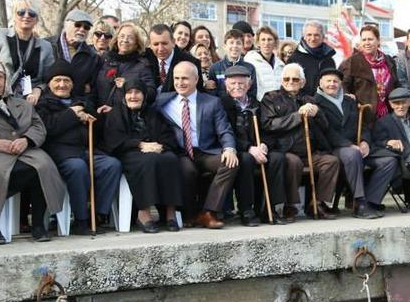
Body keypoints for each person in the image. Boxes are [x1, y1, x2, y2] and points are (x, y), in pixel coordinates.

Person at [0, 60, 66, 244]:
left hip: (23, 150)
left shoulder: (21, 104)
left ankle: (38, 225)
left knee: (44, 166)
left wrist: (26, 140)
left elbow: (38, 127)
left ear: (6, 80)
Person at [36, 61, 122, 235]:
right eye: (57, 80)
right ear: (50, 83)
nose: (62, 84)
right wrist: (72, 114)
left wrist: (97, 117)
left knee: (112, 165)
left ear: (72, 84)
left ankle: (98, 215)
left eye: (66, 80)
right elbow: (48, 128)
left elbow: (96, 128)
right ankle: (81, 219)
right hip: (61, 154)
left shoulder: (82, 101)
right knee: (78, 168)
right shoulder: (43, 104)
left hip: (87, 151)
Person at [154, 61, 238, 229]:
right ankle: (189, 214)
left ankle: (208, 212)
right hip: (180, 152)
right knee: (187, 171)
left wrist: (229, 149)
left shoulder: (211, 102)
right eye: (176, 78)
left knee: (229, 163)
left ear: (196, 79)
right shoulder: (161, 102)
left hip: (205, 151)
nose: (180, 83)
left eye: (185, 78)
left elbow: (224, 130)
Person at [100, 77, 184, 233]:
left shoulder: (153, 113)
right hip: (128, 153)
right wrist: (140, 144)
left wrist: (160, 146)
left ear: (144, 95)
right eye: (129, 93)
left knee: (171, 159)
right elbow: (114, 140)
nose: (133, 96)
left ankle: (170, 212)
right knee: (148, 161)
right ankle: (143, 213)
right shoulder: (116, 113)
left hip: (155, 150)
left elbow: (167, 135)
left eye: (137, 92)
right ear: (124, 95)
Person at [261, 63, 340, 221]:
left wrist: (317, 113)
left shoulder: (309, 99)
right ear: (282, 80)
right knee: (293, 162)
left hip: (311, 151)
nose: (290, 81)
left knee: (331, 161)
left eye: (295, 79)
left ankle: (316, 203)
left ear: (302, 82)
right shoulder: (270, 97)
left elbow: (325, 127)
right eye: (286, 78)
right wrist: (298, 116)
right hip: (285, 149)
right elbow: (269, 124)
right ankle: (290, 205)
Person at [314, 67, 397, 219]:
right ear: (320, 83)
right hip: (334, 148)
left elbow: (362, 124)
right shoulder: (315, 102)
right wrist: (348, 145)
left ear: (340, 83)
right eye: (328, 81)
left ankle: (371, 201)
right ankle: (359, 202)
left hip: (357, 145)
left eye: (335, 81)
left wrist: (365, 141)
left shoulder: (349, 100)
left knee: (388, 160)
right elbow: (325, 131)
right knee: (352, 154)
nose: (332, 84)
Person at [219, 65, 286, 225]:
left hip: (258, 147)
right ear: (226, 86)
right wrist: (249, 148)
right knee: (247, 160)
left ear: (249, 85)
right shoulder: (221, 103)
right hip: (237, 149)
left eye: (241, 84)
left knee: (277, 158)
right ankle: (246, 210)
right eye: (233, 84)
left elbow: (267, 128)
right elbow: (225, 132)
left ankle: (269, 208)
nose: (237, 87)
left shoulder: (256, 103)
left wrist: (264, 144)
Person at [0, 0, 54, 106]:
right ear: (14, 15)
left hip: (30, 104)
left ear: (36, 19)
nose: (26, 16)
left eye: (32, 13)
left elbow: (49, 79)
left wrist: (39, 89)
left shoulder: (46, 47)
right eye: (21, 12)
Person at [339, 24, 399, 123]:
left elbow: (396, 84)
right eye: (364, 40)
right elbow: (343, 85)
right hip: (363, 115)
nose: (367, 43)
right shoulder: (352, 62)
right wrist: (349, 98)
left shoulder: (389, 61)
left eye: (370, 39)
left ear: (378, 41)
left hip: (388, 114)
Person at [92, 23, 155, 114]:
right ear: (116, 39)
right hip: (99, 115)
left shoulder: (142, 65)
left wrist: (129, 86)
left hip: (125, 118)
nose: (125, 40)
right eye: (122, 36)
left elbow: (151, 93)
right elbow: (93, 88)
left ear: (137, 43)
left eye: (130, 38)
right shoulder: (104, 60)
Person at [46, 9, 101, 103]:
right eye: (78, 25)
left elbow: (92, 91)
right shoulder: (47, 45)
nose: (82, 29)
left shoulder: (93, 57)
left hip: (76, 107)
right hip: (47, 105)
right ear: (66, 24)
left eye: (86, 27)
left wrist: (82, 106)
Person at [145, 23, 202, 94]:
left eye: (164, 43)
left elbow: (198, 93)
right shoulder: (144, 58)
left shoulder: (191, 62)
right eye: (156, 44)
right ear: (150, 45)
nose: (160, 49)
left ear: (173, 42)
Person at [287, 21, 336, 96]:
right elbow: (288, 86)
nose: (313, 38)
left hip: (324, 103)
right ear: (304, 36)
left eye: (316, 35)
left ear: (323, 37)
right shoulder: (294, 59)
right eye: (309, 35)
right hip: (301, 104)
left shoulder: (329, 60)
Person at [209, 29, 257, 99]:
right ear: (225, 46)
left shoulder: (250, 68)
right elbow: (212, 92)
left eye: (238, 43)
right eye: (231, 42)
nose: (235, 46)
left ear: (243, 46)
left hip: (243, 107)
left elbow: (253, 91)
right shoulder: (215, 68)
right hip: (222, 107)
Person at [244, 26, 283, 101]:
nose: (266, 43)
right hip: (260, 105)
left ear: (275, 42)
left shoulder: (281, 65)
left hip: (278, 106)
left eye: (270, 39)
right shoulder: (250, 61)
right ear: (258, 42)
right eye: (263, 40)